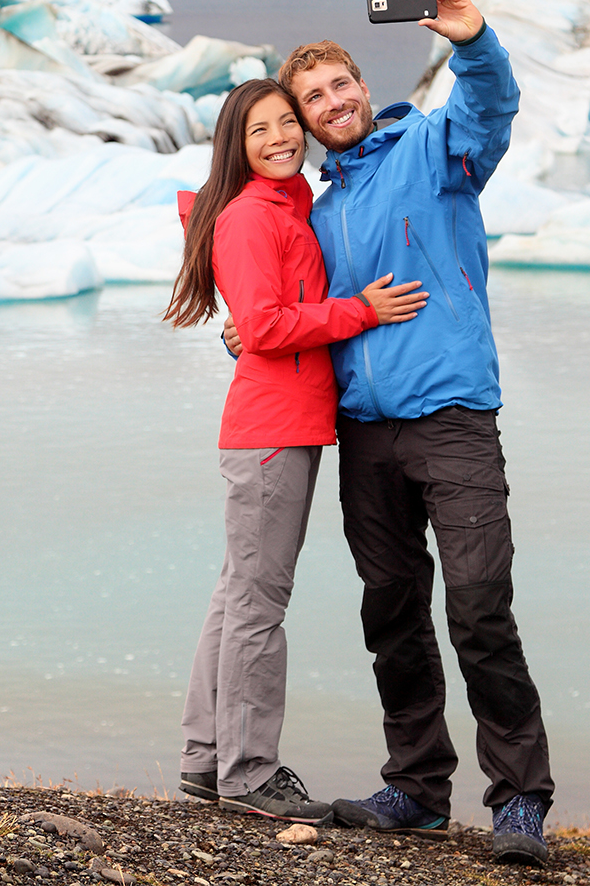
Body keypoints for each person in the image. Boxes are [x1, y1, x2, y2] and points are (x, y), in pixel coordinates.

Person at [225, 0, 555, 865]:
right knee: (394, 610)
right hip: (365, 430)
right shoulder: (319, 213)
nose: (331, 106)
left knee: (481, 606)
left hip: (452, 417)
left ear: (365, 90)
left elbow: (492, 107)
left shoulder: (435, 149)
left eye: (341, 87)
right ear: (301, 120)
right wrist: (242, 333)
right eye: (312, 100)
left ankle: (520, 798)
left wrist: (475, 39)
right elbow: (290, 311)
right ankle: (416, 788)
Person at [163, 78, 428, 824]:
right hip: (273, 432)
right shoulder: (251, 217)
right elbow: (271, 326)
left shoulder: (290, 205)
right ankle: (249, 774)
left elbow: (265, 316)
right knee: (258, 603)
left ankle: (204, 756)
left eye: (288, 123)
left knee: (237, 593)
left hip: (285, 425)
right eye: (261, 131)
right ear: (236, 148)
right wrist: (362, 312)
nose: (282, 138)